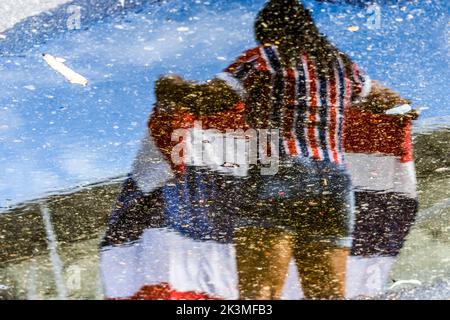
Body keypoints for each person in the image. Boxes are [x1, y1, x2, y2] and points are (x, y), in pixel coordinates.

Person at [150, 0, 418, 299]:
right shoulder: (342, 66)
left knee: (260, 296)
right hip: (334, 183)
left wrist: (170, 84)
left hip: (276, 172)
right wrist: (406, 109)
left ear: (267, 30)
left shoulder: (264, 57)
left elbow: (210, 99)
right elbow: (392, 102)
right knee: (327, 296)